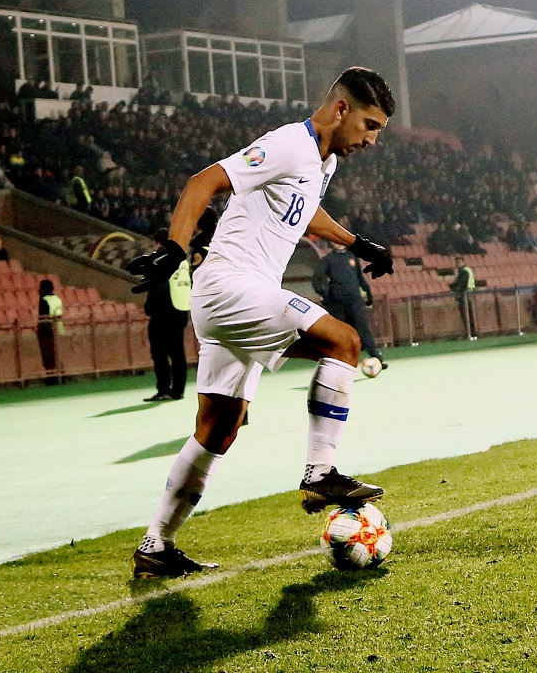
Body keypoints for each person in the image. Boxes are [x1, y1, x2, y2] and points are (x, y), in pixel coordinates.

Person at [126, 66, 397, 578]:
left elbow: (304, 211)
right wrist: (175, 248)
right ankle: (321, 473)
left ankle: (155, 546)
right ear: (341, 109)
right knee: (344, 341)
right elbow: (204, 181)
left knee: (217, 430)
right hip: (233, 287)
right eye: (369, 125)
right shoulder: (289, 144)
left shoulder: (322, 161)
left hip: (236, 297)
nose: (371, 140)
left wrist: (359, 244)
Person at [312, 241, 386, 367]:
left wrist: (368, 293)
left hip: (355, 301)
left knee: (363, 329)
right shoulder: (328, 259)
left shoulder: (352, 257)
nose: (337, 243)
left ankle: (377, 358)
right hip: (337, 303)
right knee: (338, 334)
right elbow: (317, 279)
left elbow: (360, 278)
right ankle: (337, 362)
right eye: (334, 241)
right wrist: (325, 295)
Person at [143, 229, 192, 402]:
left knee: (159, 353)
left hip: (164, 313)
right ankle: (178, 390)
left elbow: (158, 287)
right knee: (178, 353)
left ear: (159, 243)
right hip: (182, 309)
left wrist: (149, 308)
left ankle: (163, 389)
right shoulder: (183, 260)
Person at [37, 279, 64, 382]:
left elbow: (43, 316)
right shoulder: (57, 299)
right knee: (56, 352)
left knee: (47, 353)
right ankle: (60, 374)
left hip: (46, 328)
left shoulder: (43, 299)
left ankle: (51, 376)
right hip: (57, 327)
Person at [450, 255, 477, 339]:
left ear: (463, 262)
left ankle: (470, 332)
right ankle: (471, 332)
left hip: (465, 295)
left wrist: (453, 287)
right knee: (468, 314)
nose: (457, 264)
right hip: (468, 294)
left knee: (466, 314)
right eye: (456, 262)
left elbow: (462, 284)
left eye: (459, 262)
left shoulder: (464, 271)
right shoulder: (465, 270)